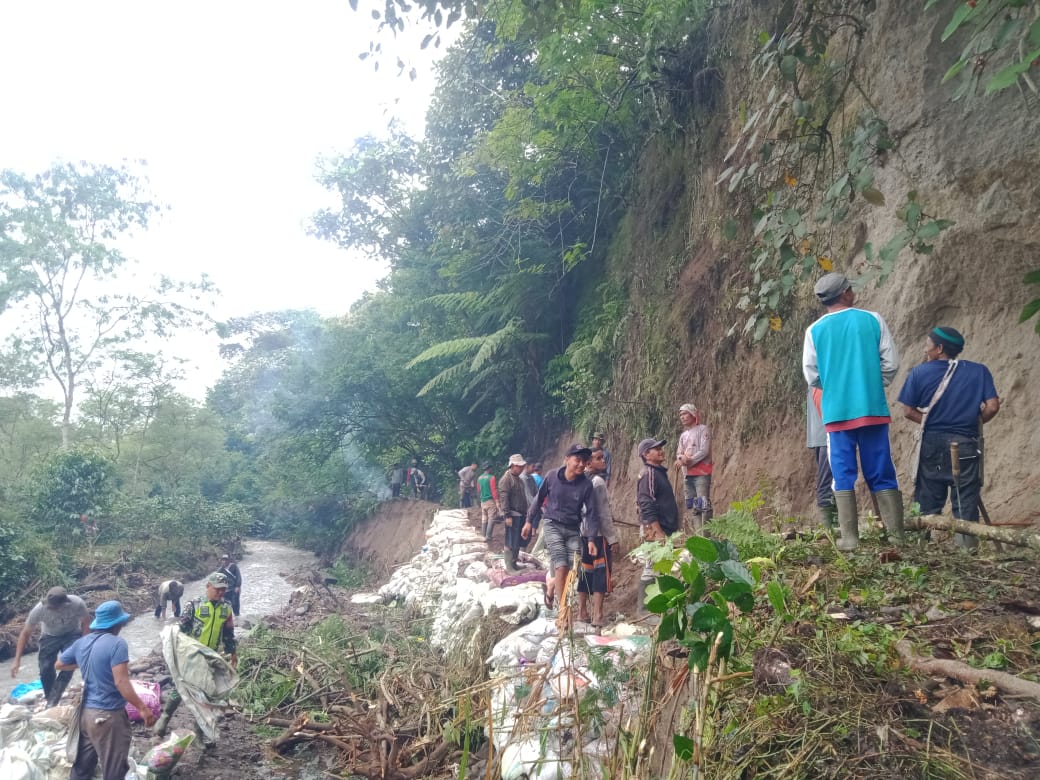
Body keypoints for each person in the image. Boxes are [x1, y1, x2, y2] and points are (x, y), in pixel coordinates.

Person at [802, 272, 902, 551]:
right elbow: (891, 363)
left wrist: (835, 387)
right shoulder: (872, 319)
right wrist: (871, 384)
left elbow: (812, 375)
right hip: (872, 408)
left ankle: (850, 538)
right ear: (846, 293)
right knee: (881, 468)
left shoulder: (814, 331)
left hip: (836, 413)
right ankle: (895, 536)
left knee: (842, 473)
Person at [898, 326, 1000, 549]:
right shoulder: (979, 371)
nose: (926, 351)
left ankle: (920, 551)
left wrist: (931, 423)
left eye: (928, 346)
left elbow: (907, 411)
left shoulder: (919, 373)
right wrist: (970, 425)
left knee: (926, 500)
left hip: (932, 443)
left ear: (940, 348)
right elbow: (992, 406)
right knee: (965, 499)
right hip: (965, 444)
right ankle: (967, 551)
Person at [56, 600, 157, 780]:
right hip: (108, 716)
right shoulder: (117, 644)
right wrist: (142, 707)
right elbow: (121, 682)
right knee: (114, 770)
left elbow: (60, 664)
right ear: (118, 623)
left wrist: (84, 663)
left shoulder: (82, 642)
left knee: (82, 769)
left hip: (85, 715)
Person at [154, 572, 238, 743]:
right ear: (208, 586)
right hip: (192, 655)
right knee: (181, 687)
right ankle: (165, 717)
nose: (220, 593)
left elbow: (229, 632)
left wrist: (233, 652)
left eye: (223, 590)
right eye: (217, 589)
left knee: (206, 695)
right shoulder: (194, 605)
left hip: (211, 655)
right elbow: (182, 628)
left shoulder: (226, 608)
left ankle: (198, 732)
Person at [522, 444, 600, 611]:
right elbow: (538, 499)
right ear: (566, 459)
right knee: (561, 564)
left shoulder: (586, 485)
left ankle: (551, 587)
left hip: (573, 529)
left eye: (584, 461)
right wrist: (529, 521)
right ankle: (562, 608)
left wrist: (592, 539)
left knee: (573, 569)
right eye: (577, 460)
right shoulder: (552, 476)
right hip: (552, 525)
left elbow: (593, 513)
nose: (581, 464)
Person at [11, 586, 89, 706]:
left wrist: (85, 644)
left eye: (53, 607)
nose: (49, 608)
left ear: (64, 604)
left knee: (69, 663)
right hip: (50, 636)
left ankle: (54, 698)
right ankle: (49, 697)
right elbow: (25, 633)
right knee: (45, 669)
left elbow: (85, 623)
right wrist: (17, 660)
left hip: (72, 634)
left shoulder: (77, 603)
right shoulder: (39, 609)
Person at [578, 446, 619, 627]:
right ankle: (598, 615)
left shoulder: (579, 480)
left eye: (603, 458)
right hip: (598, 536)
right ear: (589, 463)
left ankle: (582, 612)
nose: (603, 461)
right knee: (600, 573)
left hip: (583, 534)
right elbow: (602, 513)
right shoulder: (598, 482)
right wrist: (612, 537)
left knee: (585, 571)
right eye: (599, 458)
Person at [675, 404, 713, 530]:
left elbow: (704, 451)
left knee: (704, 505)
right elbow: (679, 453)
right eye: (681, 415)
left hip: (701, 473)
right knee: (695, 507)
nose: (682, 417)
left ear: (693, 414)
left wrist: (688, 460)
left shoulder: (703, 429)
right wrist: (681, 458)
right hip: (687, 476)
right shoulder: (683, 436)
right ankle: (698, 536)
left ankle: (707, 537)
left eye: (685, 413)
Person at [806, 388, 835, 529]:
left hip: (821, 433)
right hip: (827, 433)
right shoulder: (821, 377)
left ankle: (834, 527)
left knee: (829, 480)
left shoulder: (815, 375)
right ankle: (829, 531)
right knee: (827, 481)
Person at [497, 454, 531, 572]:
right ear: (512, 466)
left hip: (521, 514)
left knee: (518, 540)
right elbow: (504, 498)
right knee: (510, 540)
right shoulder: (506, 479)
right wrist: (507, 515)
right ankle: (509, 567)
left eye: (522, 466)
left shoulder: (519, 479)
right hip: (512, 514)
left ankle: (514, 563)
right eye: (519, 466)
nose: (521, 468)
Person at [478, 463, 502, 541]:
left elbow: (479, 490)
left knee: (484, 518)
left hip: (482, 501)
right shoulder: (491, 478)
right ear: (489, 468)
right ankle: (488, 536)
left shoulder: (479, 478)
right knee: (492, 518)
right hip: (490, 501)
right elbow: (494, 490)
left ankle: (483, 535)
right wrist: (497, 501)